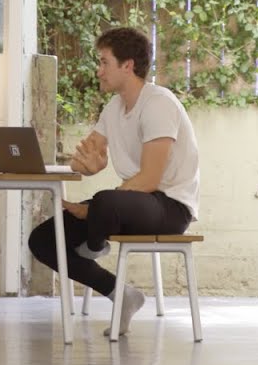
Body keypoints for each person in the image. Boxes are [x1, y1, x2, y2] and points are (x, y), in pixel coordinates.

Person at [28, 27, 199, 336]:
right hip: (128, 206)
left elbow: (149, 179)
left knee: (105, 201)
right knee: (42, 239)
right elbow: (87, 156)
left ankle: (93, 243)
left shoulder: (158, 104)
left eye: (105, 62)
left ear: (128, 65)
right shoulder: (114, 108)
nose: (99, 71)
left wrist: (92, 207)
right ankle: (121, 293)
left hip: (170, 207)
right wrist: (86, 164)